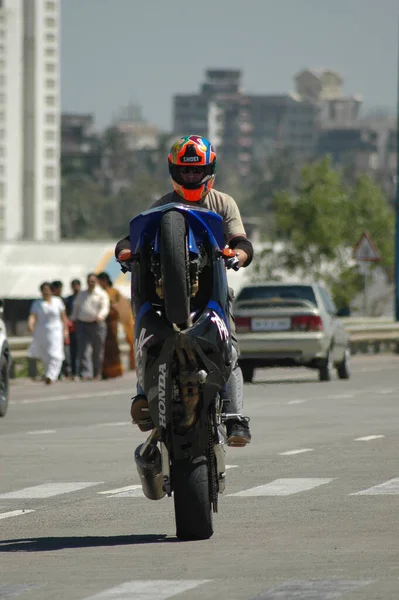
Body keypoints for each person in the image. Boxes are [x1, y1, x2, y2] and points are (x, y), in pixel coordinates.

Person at [115, 135, 253, 446]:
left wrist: (238, 255)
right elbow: (130, 238)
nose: (190, 177)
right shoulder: (162, 205)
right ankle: (142, 395)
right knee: (146, 335)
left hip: (211, 290)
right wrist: (125, 252)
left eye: (196, 171)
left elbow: (241, 242)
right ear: (174, 171)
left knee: (229, 348)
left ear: (209, 169)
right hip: (164, 293)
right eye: (185, 171)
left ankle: (235, 417)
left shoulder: (223, 202)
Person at [28, 281, 69, 385]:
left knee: (55, 354)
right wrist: (30, 325)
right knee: (45, 355)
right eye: (44, 290)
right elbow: (33, 316)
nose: (46, 292)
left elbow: (63, 317)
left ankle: (51, 376)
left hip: (56, 331)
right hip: (42, 331)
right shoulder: (37, 303)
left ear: (51, 291)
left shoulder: (58, 301)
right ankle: (48, 374)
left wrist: (66, 330)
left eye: (47, 290)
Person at [71, 273, 110, 380]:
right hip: (83, 325)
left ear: (96, 282)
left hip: (97, 325)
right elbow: (76, 307)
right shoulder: (81, 294)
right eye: (89, 281)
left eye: (93, 281)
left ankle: (97, 373)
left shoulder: (101, 294)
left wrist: (101, 316)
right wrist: (74, 319)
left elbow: (105, 307)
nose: (91, 283)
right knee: (84, 350)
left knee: (97, 351)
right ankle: (86, 373)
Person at [64, 279, 81, 379]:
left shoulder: (83, 297)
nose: (75, 287)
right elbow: (65, 312)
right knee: (72, 351)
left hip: (82, 325)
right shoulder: (69, 299)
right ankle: (73, 372)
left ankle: (82, 371)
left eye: (77, 285)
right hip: (72, 328)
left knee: (82, 351)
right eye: (73, 285)